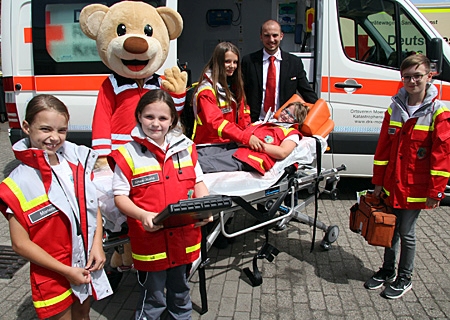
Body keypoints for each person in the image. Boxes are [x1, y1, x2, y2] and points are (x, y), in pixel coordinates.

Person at [0, 94, 112, 319]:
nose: (54, 137)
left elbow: (92, 207)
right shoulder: (17, 183)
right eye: (45, 129)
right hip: (52, 274)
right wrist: (66, 271)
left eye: (61, 130)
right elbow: (20, 245)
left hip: (85, 264)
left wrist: (97, 244)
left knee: (83, 315)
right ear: (26, 127)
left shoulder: (77, 163)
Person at [109, 89, 212, 319]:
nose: (156, 123)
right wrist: (142, 214)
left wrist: (204, 206)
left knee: (181, 294)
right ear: (138, 116)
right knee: (153, 298)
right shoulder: (126, 154)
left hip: (184, 239)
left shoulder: (186, 148)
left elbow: (198, 182)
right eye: (149, 117)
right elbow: (120, 197)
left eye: (163, 118)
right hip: (151, 243)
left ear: (172, 121)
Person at [364, 54, 450, 299]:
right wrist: (378, 182)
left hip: (415, 187)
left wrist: (436, 192)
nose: (412, 81)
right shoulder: (394, 108)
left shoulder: (437, 113)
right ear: (402, 79)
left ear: (429, 77)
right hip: (392, 183)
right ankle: (387, 271)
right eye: (407, 77)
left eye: (418, 76)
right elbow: (383, 149)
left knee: (406, 232)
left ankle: (405, 277)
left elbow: (442, 157)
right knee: (389, 228)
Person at [192, 41, 264, 159]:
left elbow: (244, 115)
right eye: (227, 62)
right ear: (218, 62)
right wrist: (245, 138)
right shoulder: (206, 91)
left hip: (232, 142)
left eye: (235, 62)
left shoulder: (235, 85)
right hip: (209, 146)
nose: (232, 66)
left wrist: (248, 134)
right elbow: (215, 123)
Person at [199, 101, 309, 174]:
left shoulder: (291, 133)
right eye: (286, 111)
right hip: (236, 146)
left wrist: (255, 144)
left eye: (291, 116)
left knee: (202, 164)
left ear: (297, 121)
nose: (285, 116)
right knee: (195, 153)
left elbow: (282, 152)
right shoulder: (266, 123)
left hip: (248, 157)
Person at [241, 19, 318, 122]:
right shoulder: (249, 61)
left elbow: (307, 92)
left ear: (281, 36)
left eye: (275, 35)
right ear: (261, 37)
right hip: (255, 122)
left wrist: (319, 110)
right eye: (267, 36)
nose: (271, 40)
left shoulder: (294, 63)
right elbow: (240, 92)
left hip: (283, 122)